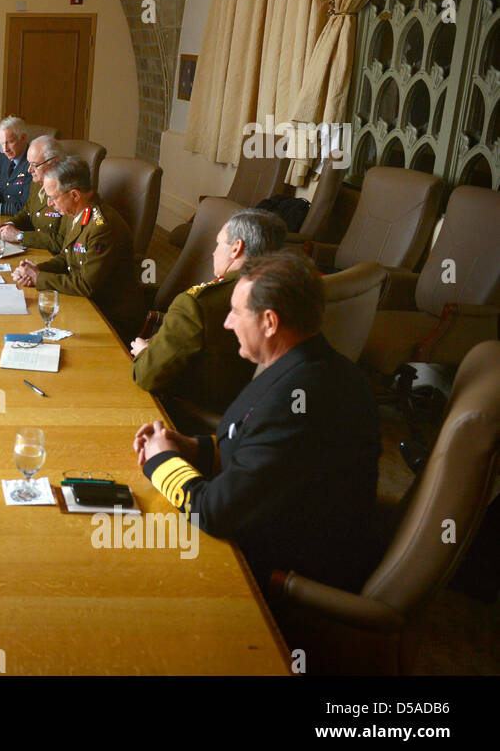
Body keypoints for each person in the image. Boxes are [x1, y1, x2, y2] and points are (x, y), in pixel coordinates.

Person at [132, 250, 380, 591]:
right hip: (269, 520)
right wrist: (188, 447)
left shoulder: (296, 403)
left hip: (277, 568)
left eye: (236, 312)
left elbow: (214, 513)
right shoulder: (306, 362)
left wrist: (162, 461)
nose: (227, 323)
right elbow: (250, 448)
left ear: (270, 322)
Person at [130, 208, 287, 414]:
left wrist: (144, 354)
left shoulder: (196, 303)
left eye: (219, 243)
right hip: (249, 405)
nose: (214, 252)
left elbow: (146, 376)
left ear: (236, 248)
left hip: (189, 409)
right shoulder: (285, 293)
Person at [11, 157, 143, 342]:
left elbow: (85, 285)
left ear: (74, 195)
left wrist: (39, 278)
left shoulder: (101, 226)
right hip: (86, 303)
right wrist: (37, 270)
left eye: (53, 197)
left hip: (107, 315)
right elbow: (67, 258)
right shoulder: (78, 213)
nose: (49, 203)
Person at [0, 135, 66, 251]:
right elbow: (27, 211)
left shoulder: (66, 191)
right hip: (34, 251)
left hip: (52, 257)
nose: (29, 170)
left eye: (35, 165)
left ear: (54, 162)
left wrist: (19, 236)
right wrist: (10, 225)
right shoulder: (37, 183)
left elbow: (61, 241)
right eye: (29, 164)